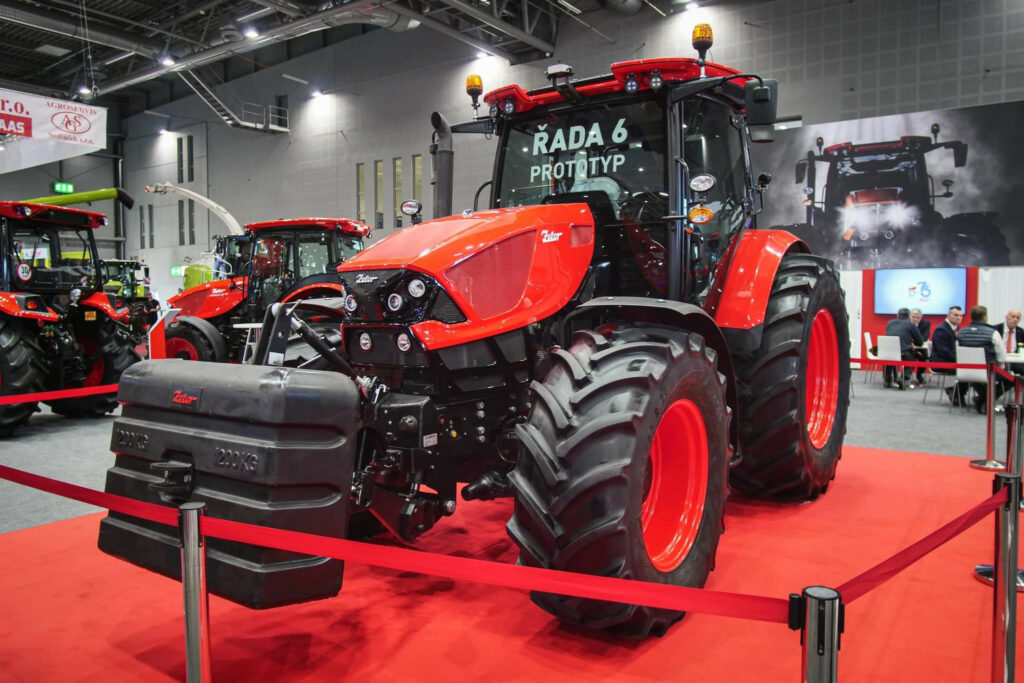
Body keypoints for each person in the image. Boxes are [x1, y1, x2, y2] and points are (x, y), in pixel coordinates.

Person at [957, 305, 1008, 413]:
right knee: (1010, 379)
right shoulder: (993, 333)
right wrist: (1002, 368)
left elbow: (957, 351)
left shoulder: (960, 332)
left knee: (977, 380)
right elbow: (1002, 356)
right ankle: (983, 399)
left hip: (966, 371)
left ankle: (982, 398)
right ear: (985, 317)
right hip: (989, 371)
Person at [884, 307, 924, 389]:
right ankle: (903, 378)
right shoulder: (911, 325)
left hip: (888, 352)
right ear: (909, 316)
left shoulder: (890, 323)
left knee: (890, 357)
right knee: (912, 358)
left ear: (897, 315)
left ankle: (887, 380)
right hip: (904, 353)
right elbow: (920, 342)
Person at [934, 306, 963, 404]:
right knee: (967, 371)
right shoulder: (941, 330)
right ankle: (957, 392)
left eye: (960, 315)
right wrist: (960, 359)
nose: (958, 318)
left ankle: (956, 392)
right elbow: (943, 351)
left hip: (954, 360)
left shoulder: (959, 329)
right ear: (948, 315)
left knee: (971, 371)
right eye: (956, 315)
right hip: (941, 361)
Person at [994, 309, 1024, 375]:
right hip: (999, 360)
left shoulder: (1021, 332)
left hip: (1015, 362)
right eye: (1013, 317)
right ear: (1007, 317)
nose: (1015, 319)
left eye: (1018, 318)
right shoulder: (996, 329)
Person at [909, 308, 930, 385]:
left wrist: (915, 343)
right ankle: (906, 375)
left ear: (921, 317)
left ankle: (919, 375)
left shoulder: (926, 324)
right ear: (910, 316)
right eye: (913, 317)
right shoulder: (906, 323)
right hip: (908, 347)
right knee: (909, 356)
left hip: (919, 347)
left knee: (924, 356)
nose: (915, 319)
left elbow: (925, 337)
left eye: (918, 318)